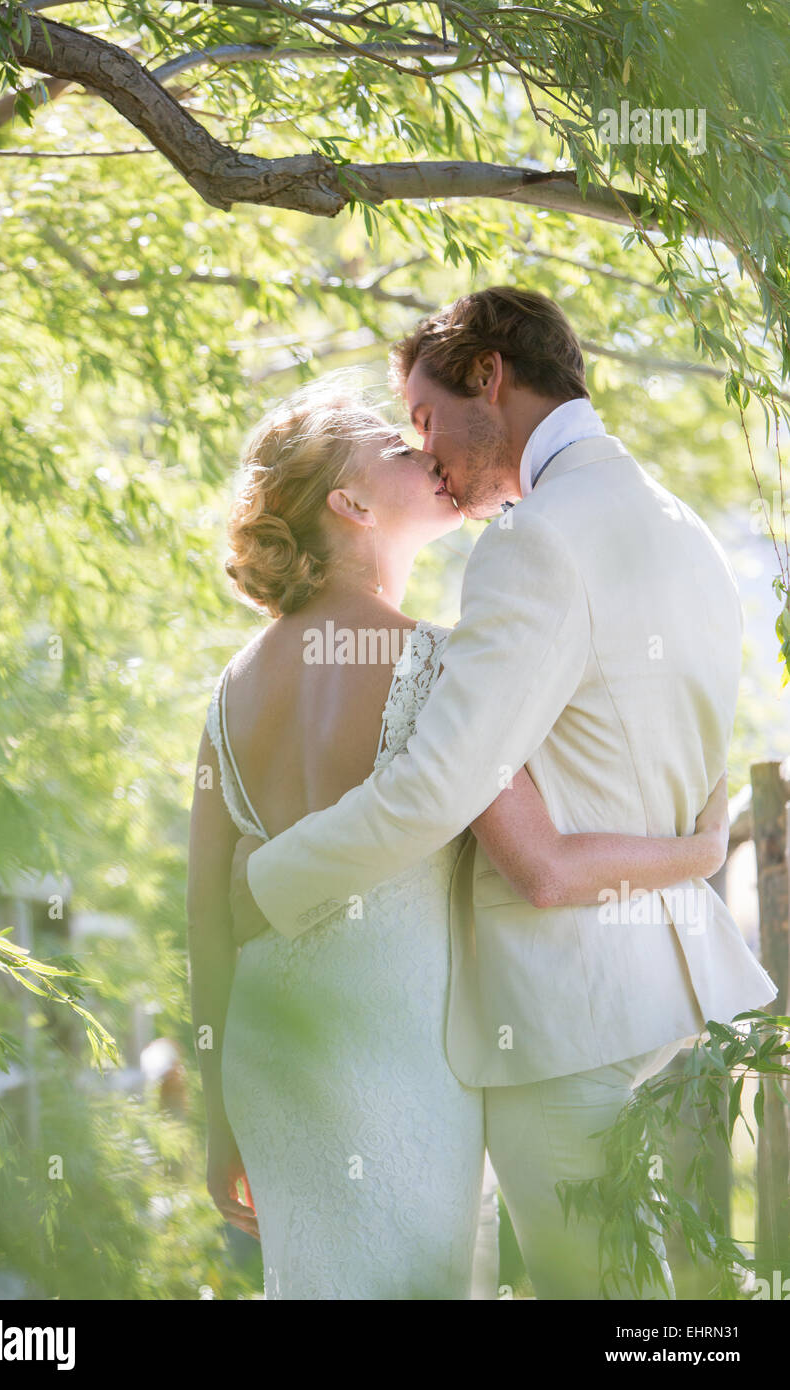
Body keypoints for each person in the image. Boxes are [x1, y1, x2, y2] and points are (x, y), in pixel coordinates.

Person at [230, 287, 778, 1300]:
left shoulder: (532, 542)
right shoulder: (682, 530)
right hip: (667, 989)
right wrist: (693, 860)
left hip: (563, 1008)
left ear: (489, 376)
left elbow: (437, 788)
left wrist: (269, 881)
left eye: (427, 420)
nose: (427, 453)